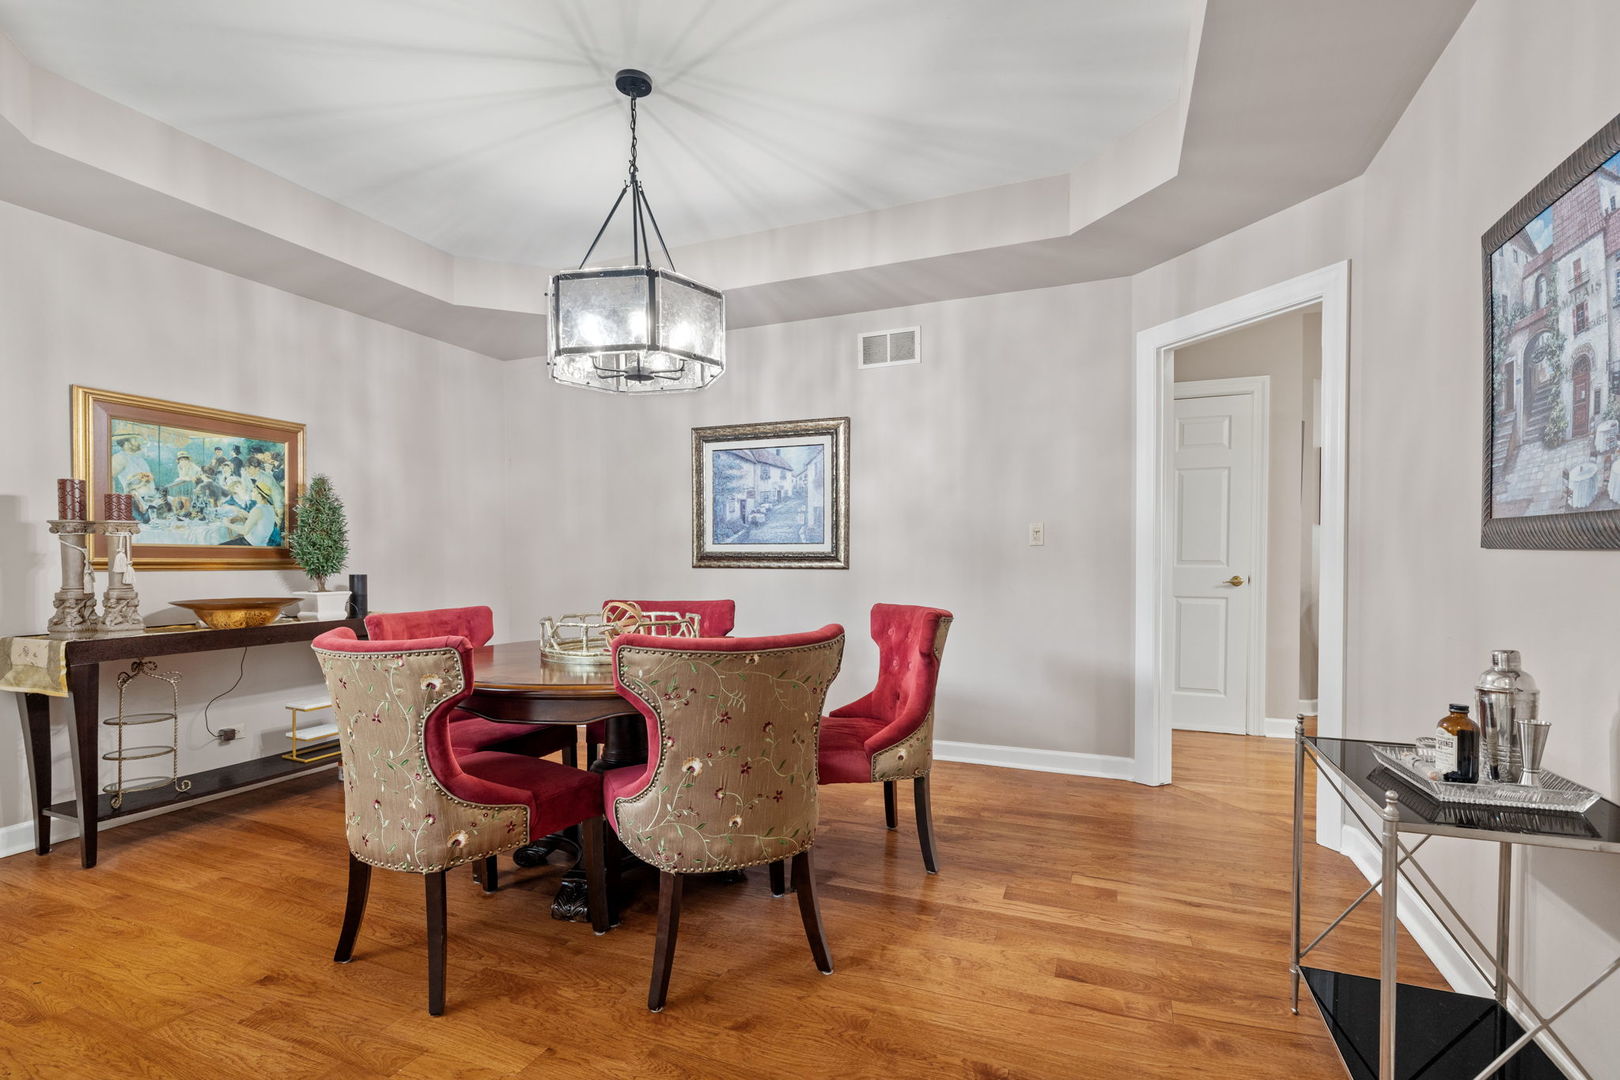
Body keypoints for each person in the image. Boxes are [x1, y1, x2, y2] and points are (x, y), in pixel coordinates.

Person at [164, 451, 201, 515]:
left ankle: (186, 509)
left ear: (188, 460)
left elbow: (191, 478)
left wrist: (185, 477)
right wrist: (184, 470)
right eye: (181, 460)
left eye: (185, 459)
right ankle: (178, 508)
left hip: (195, 482)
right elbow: (182, 477)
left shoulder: (192, 466)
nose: (183, 461)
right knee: (176, 485)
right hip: (185, 481)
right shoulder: (180, 466)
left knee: (183, 488)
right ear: (179, 461)